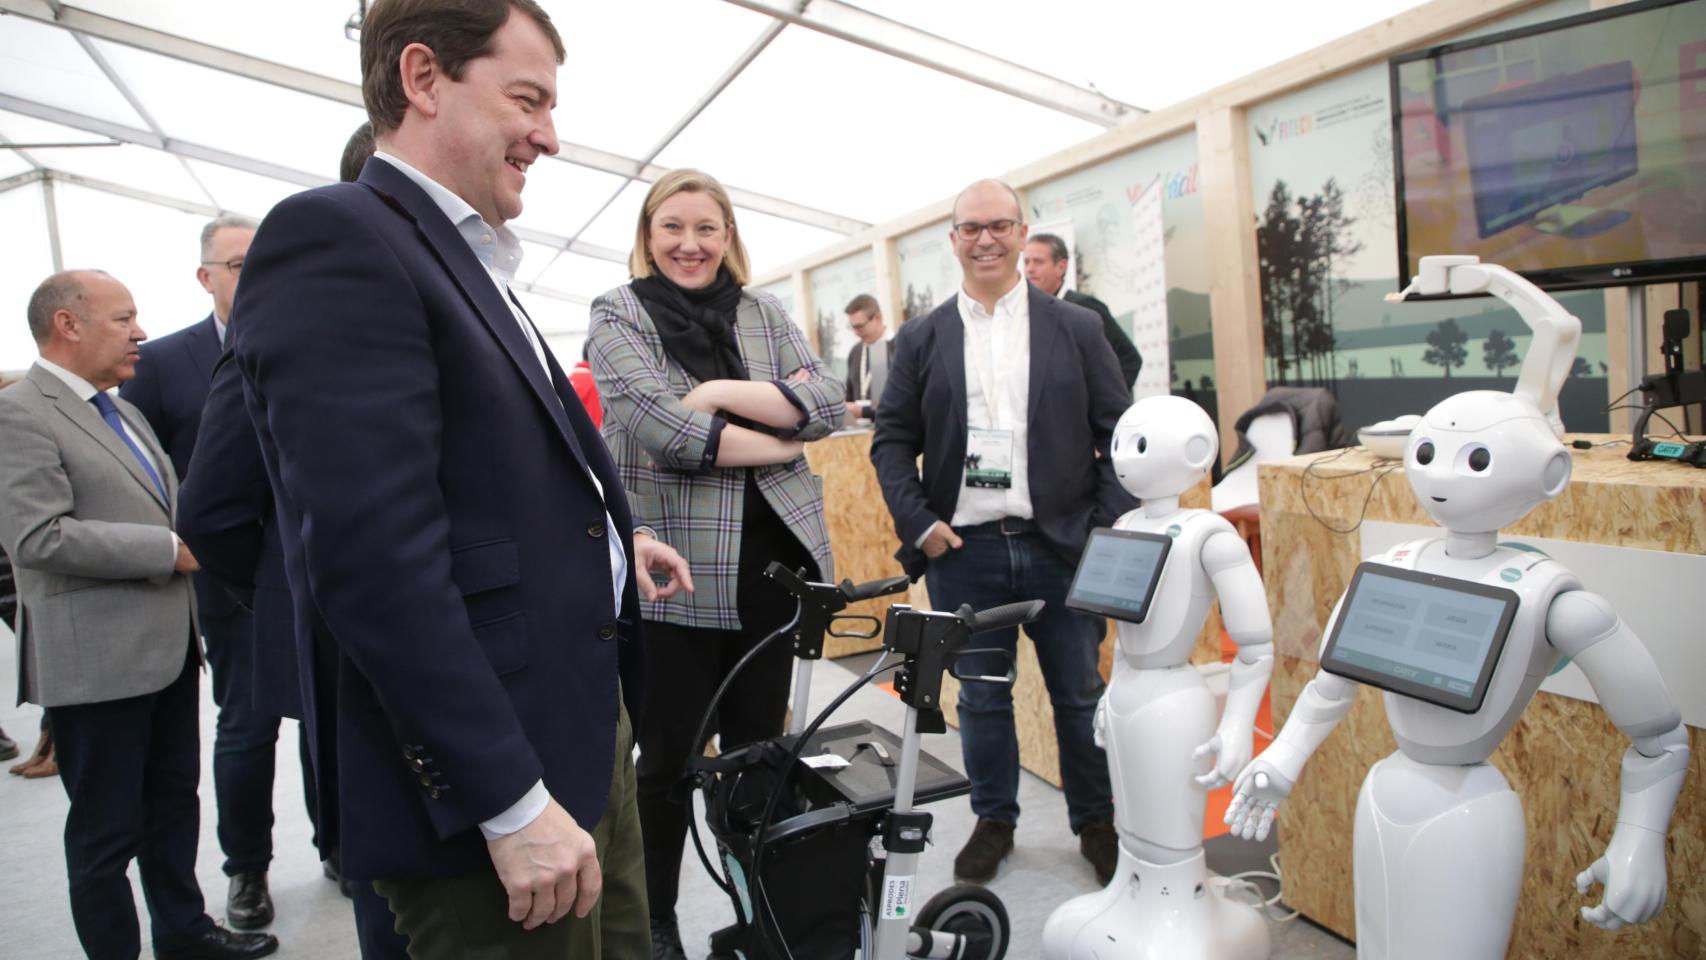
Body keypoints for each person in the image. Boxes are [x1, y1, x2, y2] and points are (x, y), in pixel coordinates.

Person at [228, 1, 691, 956]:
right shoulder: (338, 238)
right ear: (423, 79)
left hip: (580, 726)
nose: (549, 137)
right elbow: (371, 564)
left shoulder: (471, 258)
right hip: (495, 786)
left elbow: (489, 481)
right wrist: (508, 801)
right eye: (527, 99)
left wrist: (611, 540)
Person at [588, 167, 846, 960]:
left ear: (729, 235)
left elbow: (832, 404)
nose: (690, 244)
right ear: (648, 233)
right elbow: (660, 425)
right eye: (673, 227)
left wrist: (722, 390)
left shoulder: (763, 310)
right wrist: (781, 432)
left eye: (707, 228)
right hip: (678, 572)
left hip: (774, 573)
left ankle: (761, 909)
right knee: (665, 763)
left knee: (759, 757)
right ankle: (656, 921)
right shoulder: (617, 314)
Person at [177, 121, 412, 960]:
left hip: (409, 621)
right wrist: (290, 580)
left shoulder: (450, 299)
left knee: (356, 775)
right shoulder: (267, 328)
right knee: (258, 736)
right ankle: (253, 868)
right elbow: (208, 506)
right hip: (293, 605)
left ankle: (340, 851)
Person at [0, 270, 277, 960]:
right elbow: (37, 538)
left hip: (164, 651)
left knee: (172, 808)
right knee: (104, 833)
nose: (141, 333)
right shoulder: (20, 414)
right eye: (123, 319)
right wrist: (168, 549)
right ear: (68, 325)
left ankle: (184, 935)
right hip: (95, 664)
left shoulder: (120, 411)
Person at [870, 180, 1135, 887]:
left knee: (1079, 693)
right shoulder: (922, 340)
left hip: (1061, 550)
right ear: (952, 240)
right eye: (969, 228)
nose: (984, 239)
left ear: (1023, 234)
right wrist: (919, 522)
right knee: (982, 697)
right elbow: (892, 440)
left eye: (998, 226)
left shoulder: (1076, 330)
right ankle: (995, 821)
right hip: (967, 553)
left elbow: (1123, 438)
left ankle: (1097, 821)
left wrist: (1101, 530)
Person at [120, 213, 293, 931]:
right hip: (227, 579)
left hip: (305, 569)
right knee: (247, 726)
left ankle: (341, 848)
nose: (253, 275)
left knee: (327, 725)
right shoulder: (162, 363)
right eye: (237, 264)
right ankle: (246, 869)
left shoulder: (300, 341)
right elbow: (137, 472)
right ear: (205, 277)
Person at [1022, 232, 1143, 392]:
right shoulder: (1025, 311)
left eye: (1038, 262)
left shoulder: (1085, 308)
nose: (1030, 269)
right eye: (1026, 262)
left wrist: (1104, 404)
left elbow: (1130, 359)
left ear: (1061, 266)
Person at [843, 293, 894, 420]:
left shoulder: (898, 348)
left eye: (859, 326)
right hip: (859, 434)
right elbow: (849, 396)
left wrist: (864, 412)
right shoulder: (856, 351)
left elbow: (900, 403)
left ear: (877, 318)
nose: (856, 333)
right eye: (852, 327)